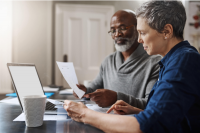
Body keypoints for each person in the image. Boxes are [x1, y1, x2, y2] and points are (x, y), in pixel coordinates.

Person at [64, 1, 200, 133]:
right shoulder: (172, 60)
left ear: (166, 31)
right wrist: (135, 110)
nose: (140, 39)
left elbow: (149, 124)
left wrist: (85, 114)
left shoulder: (184, 60)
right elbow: (166, 115)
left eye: (143, 33)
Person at [74, 9, 162, 109]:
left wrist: (117, 98)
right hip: (106, 120)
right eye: (113, 30)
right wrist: (85, 91)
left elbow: (151, 104)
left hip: (134, 122)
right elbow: (94, 88)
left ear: (138, 28)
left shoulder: (155, 62)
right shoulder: (108, 61)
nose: (117, 34)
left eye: (123, 28)